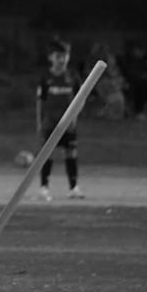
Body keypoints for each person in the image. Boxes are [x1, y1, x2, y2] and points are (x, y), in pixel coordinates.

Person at [36, 36, 84, 201]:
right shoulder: (46, 78)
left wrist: (74, 118)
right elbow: (40, 102)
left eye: (64, 56)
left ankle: (73, 188)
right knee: (46, 155)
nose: (61, 60)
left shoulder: (73, 77)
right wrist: (39, 123)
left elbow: (81, 99)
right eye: (57, 56)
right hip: (50, 123)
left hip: (68, 124)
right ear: (51, 58)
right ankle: (44, 187)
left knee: (71, 153)